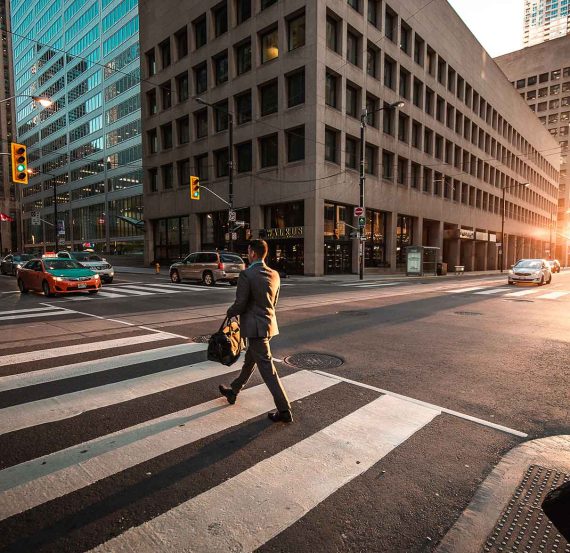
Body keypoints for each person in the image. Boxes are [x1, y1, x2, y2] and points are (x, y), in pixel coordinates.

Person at [218, 239, 293, 423]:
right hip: (268, 325)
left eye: (248, 251)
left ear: (252, 253)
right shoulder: (274, 274)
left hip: (254, 328)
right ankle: (233, 391)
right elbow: (273, 303)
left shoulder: (247, 274)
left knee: (268, 371)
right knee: (249, 362)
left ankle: (285, 410)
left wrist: (230, 312)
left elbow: (241, 303)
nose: (248, 254)